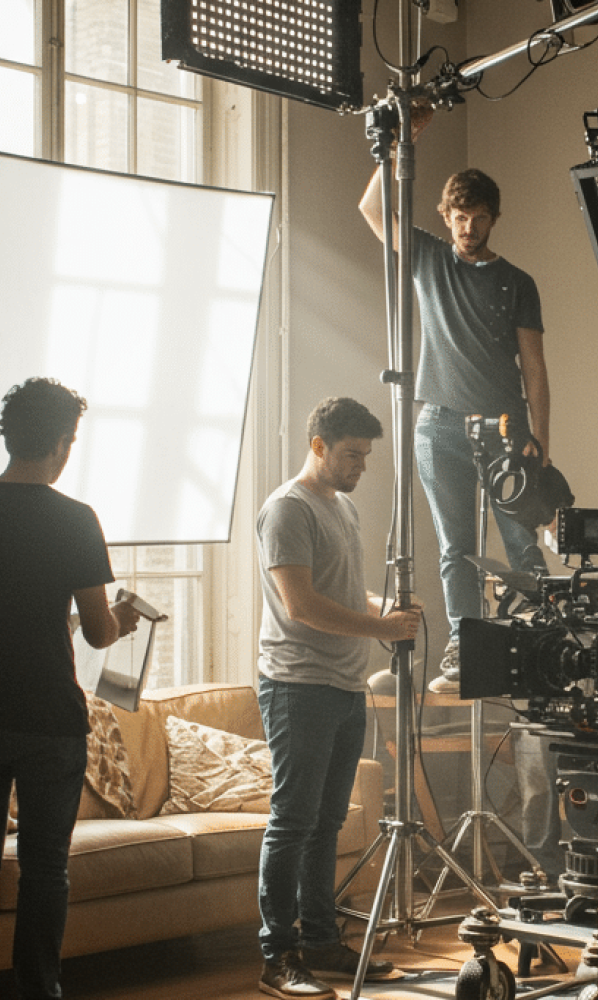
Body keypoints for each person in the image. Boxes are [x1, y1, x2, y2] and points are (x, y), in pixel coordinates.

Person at [0, 377, 140, 1000]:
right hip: (49, 723)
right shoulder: (75, 520)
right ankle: (40, 990)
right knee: (45, 871)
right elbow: (96, 634)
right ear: (64, 443)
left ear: (8, 436)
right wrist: (123, 619)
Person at [359, 100, 551, 692]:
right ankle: (467, 653)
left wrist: (539, 442)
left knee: (521, 543)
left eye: (480, 217)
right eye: (460, 216)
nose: (469, 227)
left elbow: (536, 368)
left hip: (503, 428)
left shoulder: (517, 282)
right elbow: (371, 208)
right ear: (446, 217)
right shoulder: (427, 259)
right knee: (455, 549)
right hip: (437, 425)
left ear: (494, 218)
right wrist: (399, 145)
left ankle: (538, 645)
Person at [255, 397, 422, 1000]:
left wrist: (389, 613)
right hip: (298, 685)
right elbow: (301, 605)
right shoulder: (286, 510)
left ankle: (323, 942)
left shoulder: (343, 507)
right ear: (319, 445)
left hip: (346, 685)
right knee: (292, 820)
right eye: (352, 454)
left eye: (367, 455)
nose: (361, 466)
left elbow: (347, 596)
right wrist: (382, 630)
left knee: (328, 822)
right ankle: (279, 955)